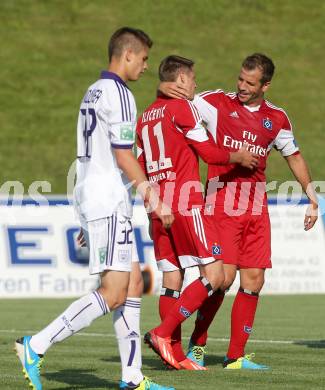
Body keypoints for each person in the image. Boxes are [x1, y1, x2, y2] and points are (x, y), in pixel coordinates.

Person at [15, 27, 175, 390]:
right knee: (114, 292)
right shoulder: (120, 94)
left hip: (96, 196)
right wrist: (153, 195)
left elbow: (89, 155)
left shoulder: (93, 91)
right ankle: (35, 346)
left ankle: (132, 378)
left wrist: (84, 213)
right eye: (145, 58)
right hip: (108, 200)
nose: (147, 66)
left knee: (133, 283)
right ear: (127, 55)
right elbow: (122, 155)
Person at [161, 53, 318, 370]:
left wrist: (312, 197)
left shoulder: (277, 119)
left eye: (250, 83)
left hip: (256, 205)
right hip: (222, 202)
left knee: (254, 279)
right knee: (222, 278)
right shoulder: (216, 102)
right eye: (240, 79)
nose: (242, 87)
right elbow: (182, 103)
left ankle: (235, 356)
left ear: (266, 85)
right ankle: (197, 346)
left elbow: (295, 156)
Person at [136, 55, 259, 370]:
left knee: (172, 278)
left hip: (156, 204)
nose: (194, 84)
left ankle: (174, 356)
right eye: (191, 78)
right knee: (214, 275)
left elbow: (137, 164)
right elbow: (209, 153)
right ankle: (163, 334)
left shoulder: (145, 116)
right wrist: (238, 156)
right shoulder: (182, 108)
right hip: (185, 202)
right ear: (179, 80)